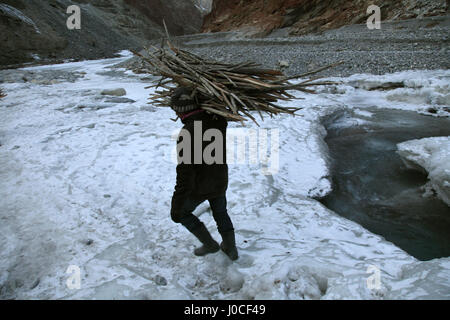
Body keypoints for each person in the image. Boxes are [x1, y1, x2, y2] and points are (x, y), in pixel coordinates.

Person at [169, 86, 238, 261]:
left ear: (181, 111)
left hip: (200, 186)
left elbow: (185, 173)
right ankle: (231, 248)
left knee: (180, 214)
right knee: (220, 212)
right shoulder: (217, 120)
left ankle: (210, 244)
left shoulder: (188, 133)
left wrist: (177, 203)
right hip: (220, 179)